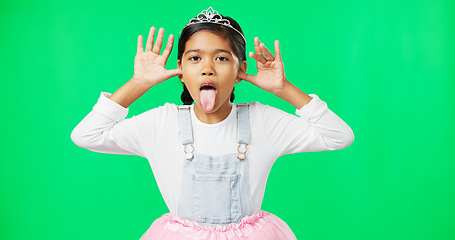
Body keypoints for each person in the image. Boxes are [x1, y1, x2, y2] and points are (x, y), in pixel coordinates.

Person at [71, 6, 354, 240]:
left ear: (240, 69)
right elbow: (86, 135)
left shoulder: (261, 120)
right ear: (180, 70)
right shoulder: (162, 123)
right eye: (195, 58)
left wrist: (283, 88)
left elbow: (339, 137)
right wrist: (137, 84)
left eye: (221, 57)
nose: (207, 67)